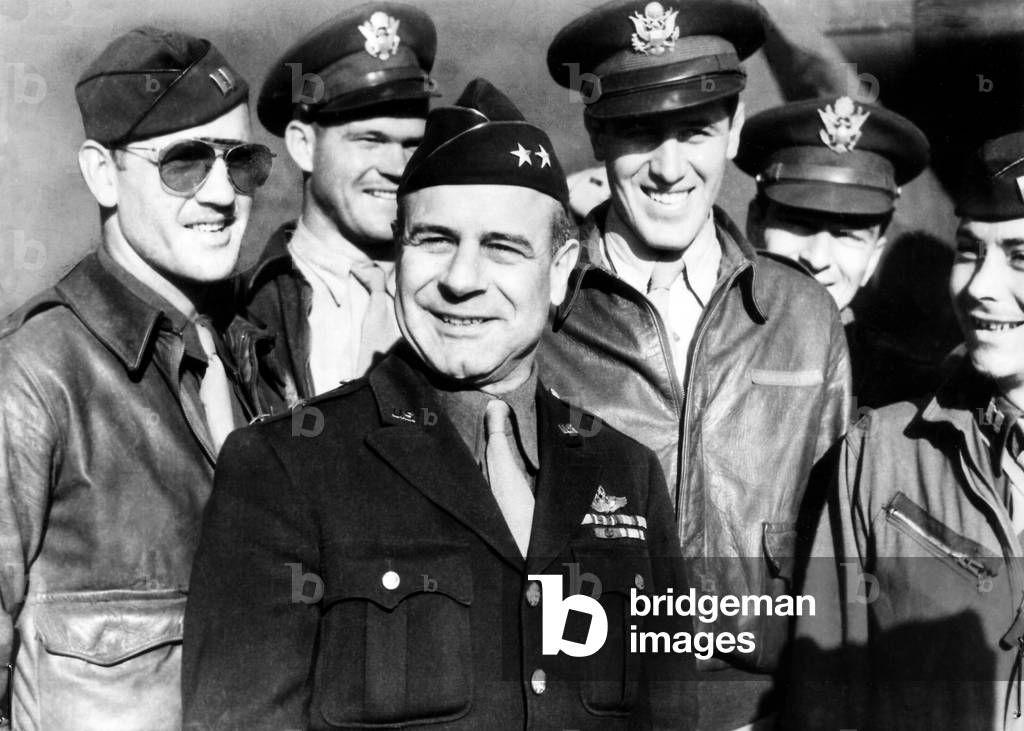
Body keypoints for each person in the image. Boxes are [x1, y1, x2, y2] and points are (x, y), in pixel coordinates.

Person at [182, 78, 682, 730]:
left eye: (502, 247)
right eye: (434, 240)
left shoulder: (627, 474)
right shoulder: (284, 468)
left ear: (560, 272)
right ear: (396, 260)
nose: (461, 279)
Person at [540, 1, 852, 728]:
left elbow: (837, 559)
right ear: (596, 131)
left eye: (696, 131)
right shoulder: (539, 310)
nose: (670, 168)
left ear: (737, 129)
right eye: (641, 132)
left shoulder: (804, 317)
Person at [0, 26, 274, 729]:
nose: (222, 193)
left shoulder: (259, 363)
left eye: (241, 162)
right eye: (183, 162)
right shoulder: (35, 377)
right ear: (101, 172)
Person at [787, 129, 1024, 730]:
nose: (979, 287)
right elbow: (823, 696)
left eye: (1021, 257)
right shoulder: (881, 454)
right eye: (969, 249)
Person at [246, 2, 438, 404]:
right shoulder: (241, 311)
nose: (396, 168)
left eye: (412, 144)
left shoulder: (459, 287)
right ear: (303, 145)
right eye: (369, 140)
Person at [736, 96, 941, 408]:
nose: (817, 259)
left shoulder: (909, 398)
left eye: (847, 235)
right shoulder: (697, 355)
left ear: (873, 257)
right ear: (754, 224)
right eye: (799, 224)